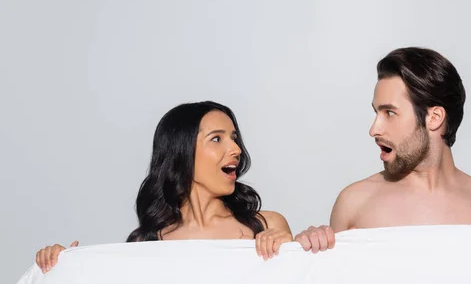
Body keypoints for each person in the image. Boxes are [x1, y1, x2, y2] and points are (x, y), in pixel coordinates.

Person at [294, 47, 471, 253]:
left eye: (389, 113)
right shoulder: (354, 202)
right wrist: (307, 251)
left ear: (434, 118)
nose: (374, 129)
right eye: (376, 112)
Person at [36, 101, 292, 272]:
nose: (236, 149)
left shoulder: (267, 226)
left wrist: (292, 251)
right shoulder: (144, 243)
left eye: (234, 139)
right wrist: (67, 267)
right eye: (216, 139)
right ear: (181, 152)